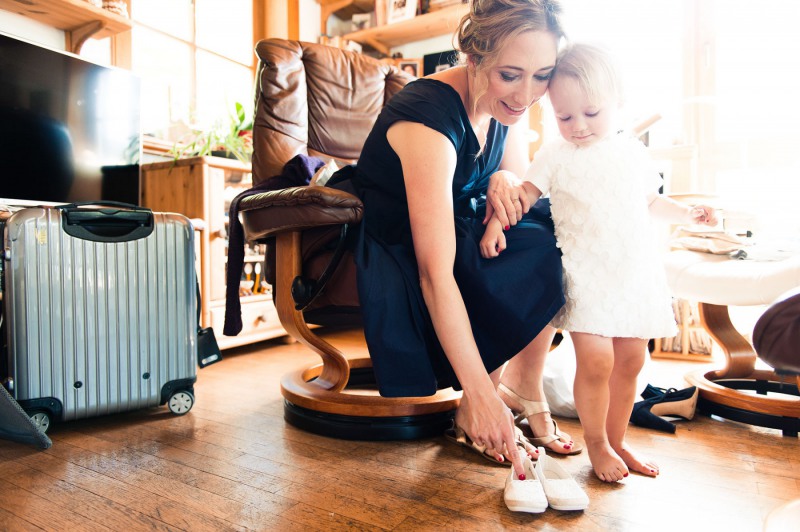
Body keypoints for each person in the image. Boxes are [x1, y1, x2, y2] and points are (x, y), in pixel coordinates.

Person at [331, 0, 576, 479]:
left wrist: (501, 179)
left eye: (542, 75)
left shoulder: (511, 104)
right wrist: (479, 399)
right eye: (511, 74)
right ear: (474, 60)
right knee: (531, 238)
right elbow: (433, 271)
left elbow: (518, 180)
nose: (527, 93)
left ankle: (523, 386)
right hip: (401, 243)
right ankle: (482, 400)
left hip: (460, 224)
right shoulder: (428, 116)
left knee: (557, 220)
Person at [480, 42, 718, 482]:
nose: (578, 127)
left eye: (591, 114)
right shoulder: (555, 155)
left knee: (631, 361)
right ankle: (597, 445)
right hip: (587, 274)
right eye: (564, 117)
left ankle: (617, 438)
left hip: (635, 273)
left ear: (618, 104)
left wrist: (687, 214)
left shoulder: (631, 151)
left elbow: (652, 200)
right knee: (596, 362)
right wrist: (497, 226)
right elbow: (525, 197)